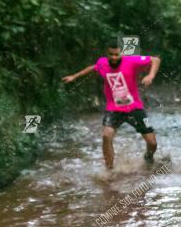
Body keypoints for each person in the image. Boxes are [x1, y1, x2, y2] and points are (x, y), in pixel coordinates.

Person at [62, 40, 161, 169]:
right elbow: (93, 67)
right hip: (113, 109)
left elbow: (155, 60)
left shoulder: (131, 61)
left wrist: (151, 75)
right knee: (106, 135)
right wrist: (75, 77)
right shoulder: (102, 63)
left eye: (117, 54)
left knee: (152, 143)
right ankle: (109, 169)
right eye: (111, 54)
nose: (114, 58)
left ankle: (148, 157)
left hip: (134, 108)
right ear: (107, 53)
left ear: (122, 53)